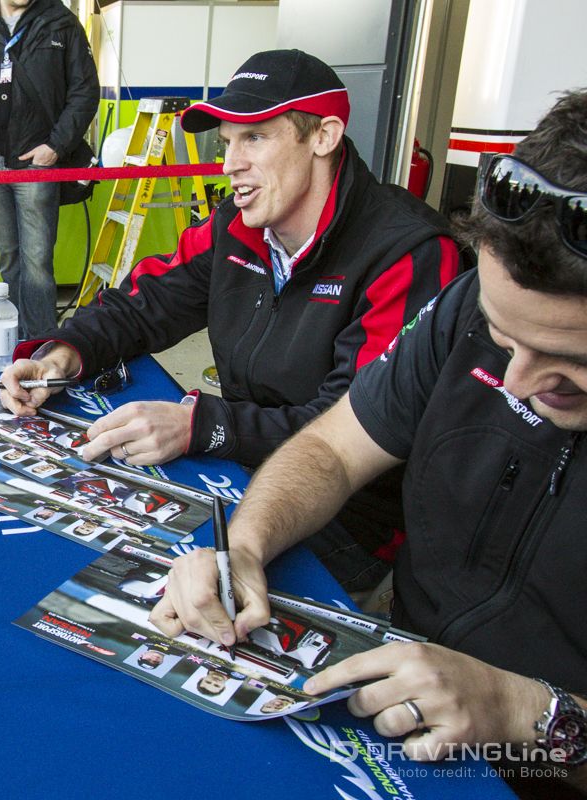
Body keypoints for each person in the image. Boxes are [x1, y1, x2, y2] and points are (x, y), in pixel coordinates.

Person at [149, 91, 587, 791]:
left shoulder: (398, 246)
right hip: (397, 690)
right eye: (503, 340)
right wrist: (247, 546)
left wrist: (523, 709)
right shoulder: (462, 307)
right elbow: (331, 447)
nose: (518, 382)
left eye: (569, 360)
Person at [0, 50, 461, 590]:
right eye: (227, 143)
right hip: (243, 464)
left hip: (352, 522)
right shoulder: (236, 225)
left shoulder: (408, 255)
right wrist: (63, 353)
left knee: (151, 592)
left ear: (324, 136)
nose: (229, 164)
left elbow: (349, 429)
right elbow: (144, 304)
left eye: (255, 138)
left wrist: (203, 425)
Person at [0, 0, 98, 339]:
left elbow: (85, 91)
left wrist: (56, 146)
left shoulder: (61, 24)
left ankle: (41, 346)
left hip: (37, 164)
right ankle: (13, 340)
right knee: (9, 258)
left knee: (37, 262)